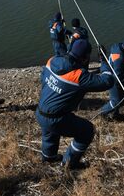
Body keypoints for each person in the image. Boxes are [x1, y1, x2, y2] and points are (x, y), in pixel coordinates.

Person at [36, 39, 115, 169]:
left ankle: (48, 158)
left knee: (50, 134)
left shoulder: (52, 61)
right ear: (85, 58)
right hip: (58, 118)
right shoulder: (79, 76)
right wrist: (104, 62)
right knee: (87, 131)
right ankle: (69, 164)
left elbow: (43, 77)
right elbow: (107, 81)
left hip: (41, 111)